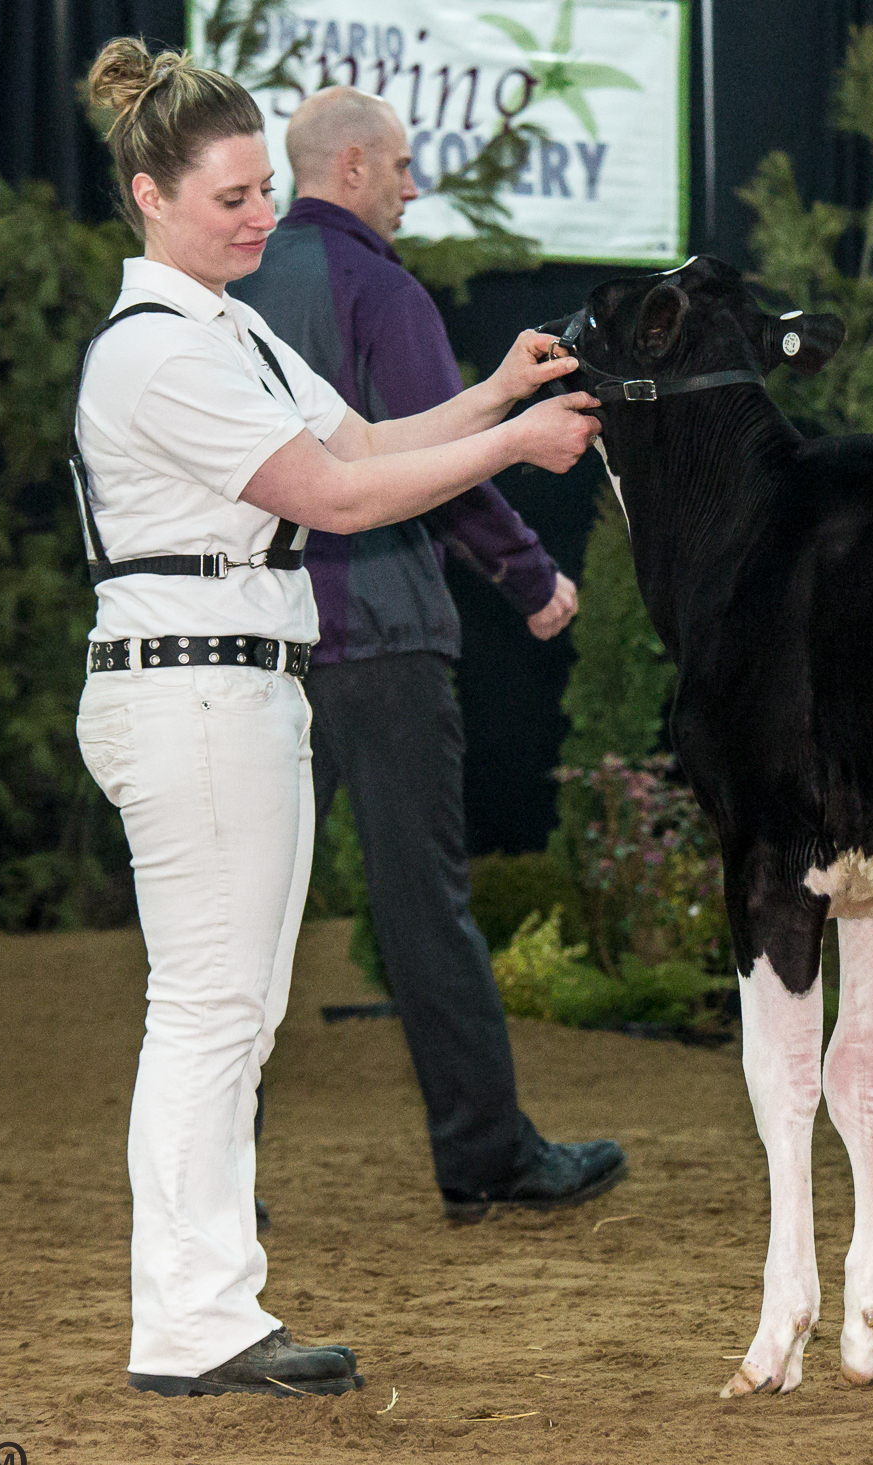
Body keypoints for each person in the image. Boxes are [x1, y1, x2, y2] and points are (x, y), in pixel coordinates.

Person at [72, 39, 602, 1399]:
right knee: (210, 1015)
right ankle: (191, 1322)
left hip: (238, 684)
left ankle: (207, 1309)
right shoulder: (157, 351)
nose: (262, 216)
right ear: (150, 197)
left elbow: (362, 440)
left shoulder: (227, 326)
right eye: (232, 198)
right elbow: (339, 499)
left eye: (263, 189)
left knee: (232, 1016)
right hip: (192, 689)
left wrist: (497, 391)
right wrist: (514, 444)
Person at [231, 87, 625, 1229]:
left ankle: (213, 1183)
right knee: (423, 910)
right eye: (401, 166)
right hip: (380, 638)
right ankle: (487, 1154)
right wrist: (530, 576)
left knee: (240, 923)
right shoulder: (381, 291)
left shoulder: (232, 292)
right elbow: (429, 467)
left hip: (258, 644)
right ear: (352, 166)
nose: (413, 186)